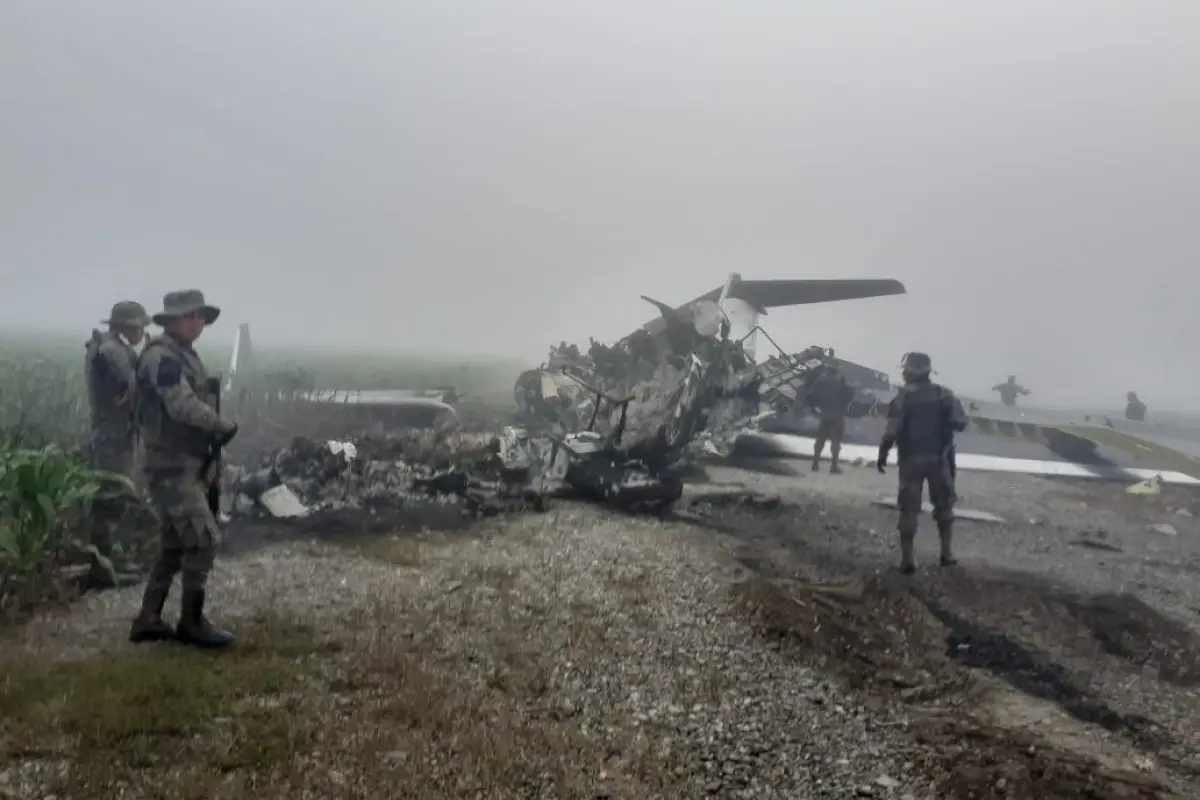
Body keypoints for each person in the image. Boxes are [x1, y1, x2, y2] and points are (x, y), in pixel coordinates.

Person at [129, 290, 238, 648]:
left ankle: (148, 618)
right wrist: (219, 425)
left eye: (202, 316)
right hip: (170, 464)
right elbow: (181, 405)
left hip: (180, 461)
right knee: (204, 540)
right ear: (176, 319)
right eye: (194, 316)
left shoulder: (181, 355)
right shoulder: (164, 358)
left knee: (174, 547)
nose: (200, 323)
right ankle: (192, 622)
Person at [877, 352, 967, 575]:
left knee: (909, 509)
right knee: (944, 506)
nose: (904, 374)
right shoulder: (945, 395)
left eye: (905, 370)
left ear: (910, 372)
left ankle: (908, 560)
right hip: (940, 459)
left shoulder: (902, 398)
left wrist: (882, 455)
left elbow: (891, 432)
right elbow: (960, 423)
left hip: (911, 460)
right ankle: (946, 554)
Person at [83, 301, 152, 590]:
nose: (143, 332)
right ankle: (102, 568)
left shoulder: (107, 347)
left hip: (112, 434)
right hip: (114, 436)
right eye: (140, 326)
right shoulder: (113, 352)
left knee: (115, 499)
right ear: (128, 326)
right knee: (111, 500)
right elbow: (133, 390)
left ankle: (111, 560)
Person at [806, 364, 855, 473]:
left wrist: (814, 408)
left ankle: (815, 463)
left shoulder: (821, 380)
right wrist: (845, 406)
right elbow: (849, 393)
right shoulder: (840, 379)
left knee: (820, 439)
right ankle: (834, 466)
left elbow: (809, 395)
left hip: (824, 413)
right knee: (836, 441)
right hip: (837, 413)